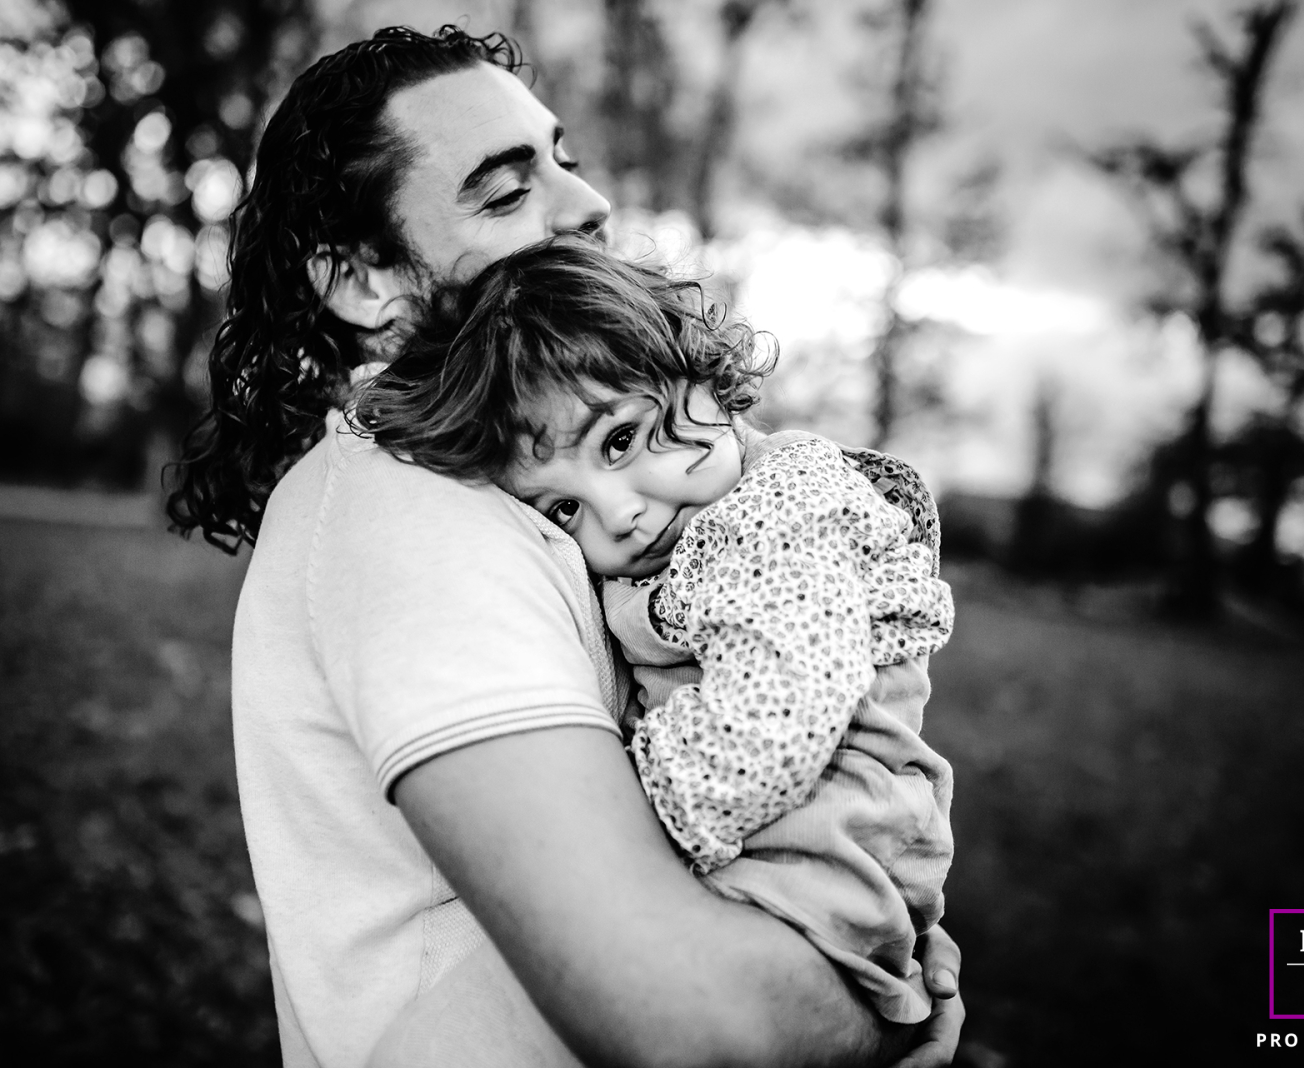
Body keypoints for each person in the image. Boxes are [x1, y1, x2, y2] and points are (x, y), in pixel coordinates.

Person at [168, 25, 964, 1068]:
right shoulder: (412, 510)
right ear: (363, 280)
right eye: (503, 193)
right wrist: (863, 1018)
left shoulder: (512, 464)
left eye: (564, 162)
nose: (585, 206)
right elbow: (685, 1020)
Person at [356, 237, 956, 1028]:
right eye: (562, 507)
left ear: (706, 376)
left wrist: (617, 821)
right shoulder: (683, 518)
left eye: (621, 439)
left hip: (816, 864)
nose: (619, 514)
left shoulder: (782, 509)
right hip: (761, 854)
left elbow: (780, 711)